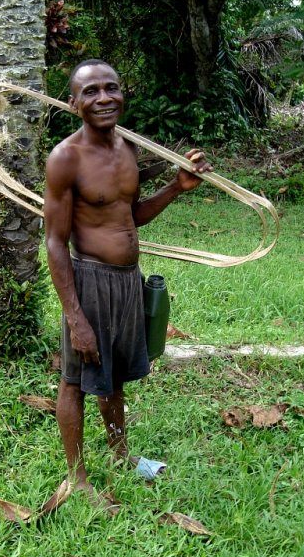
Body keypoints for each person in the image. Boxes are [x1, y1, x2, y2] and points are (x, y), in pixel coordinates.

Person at [42, 59, 213, 511]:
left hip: (126, 282)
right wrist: (76, 318)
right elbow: (55, 242)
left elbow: (128, 217)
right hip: (90, 281)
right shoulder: (66, 158)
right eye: (91, 91)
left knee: (115, 378)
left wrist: (176, 188)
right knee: (75, 382)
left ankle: (121, 456)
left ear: (122, 93)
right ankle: (77, 478)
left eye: (111, 88)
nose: (103, 98)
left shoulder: (129, 149)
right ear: (72, 102)